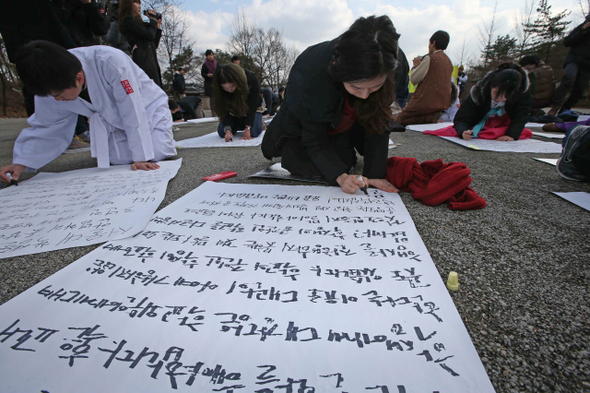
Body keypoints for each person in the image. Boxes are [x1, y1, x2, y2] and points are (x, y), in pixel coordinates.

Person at [0, 40, 177, 185]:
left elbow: (132, 108)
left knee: (156, 153)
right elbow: (47, 124)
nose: (57, 101)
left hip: (148, 109)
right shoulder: (50, 81)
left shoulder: (109, 60)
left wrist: (140, 156)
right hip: (112, 122)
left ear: (79, 78)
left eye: (59, 95)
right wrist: (21, 163)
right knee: (119, 161)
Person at [261, 15, 400, 195]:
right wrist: (339, 176)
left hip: (343, 124)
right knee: (308, 165)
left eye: (375, 86)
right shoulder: (311, 71)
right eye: (356, 87)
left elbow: (379, 121)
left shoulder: (390, 61)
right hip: (301, 125)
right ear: (338, 69)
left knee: (345, 160)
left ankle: (344, 143)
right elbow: (313, 136)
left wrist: (375, 174)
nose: (365, 95)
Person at [450, 63, 532, 141]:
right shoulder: (479, 93)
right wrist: (463, 131)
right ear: (491, 86)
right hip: (480, 123)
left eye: (505, 95)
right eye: (496, 93)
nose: (499, 98)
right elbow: (462, 117)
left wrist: (511, 134)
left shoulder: (521, 95)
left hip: (504, 125)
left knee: (523, 132)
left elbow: (521, 116)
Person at [396, 30, 453, 126]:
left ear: (433, 43)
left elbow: (414, 80)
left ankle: (427, 118)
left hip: (423, 103)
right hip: (440, 105)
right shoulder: (448, 62)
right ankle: (430, 118)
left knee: (397, 119)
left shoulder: (430, 58)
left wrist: (416, 66)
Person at [548, 15, 590, 116]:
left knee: (579, 90)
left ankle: (564, 110)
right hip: (574, 60)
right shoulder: (583, 27)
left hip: (588, 66)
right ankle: (555, 106)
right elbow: (567, 42)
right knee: (569, 77)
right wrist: (583, 30)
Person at [211, 63, 264, 142]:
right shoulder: (219, 90)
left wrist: (248, 127)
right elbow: (222, 109)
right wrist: (228, 130)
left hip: (251, 110)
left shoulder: (250, 78)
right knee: (222, 132)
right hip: (236, 113)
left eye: (232, 86)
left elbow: (253, 104)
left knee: (254, 132)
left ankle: (260, 123)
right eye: (225, 88)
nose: (229, 90)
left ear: (237, 82)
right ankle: (240, 125)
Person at [119, 0, 163, 87]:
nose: (139, 6)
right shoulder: (128, 20)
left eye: (140, 3)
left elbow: (153, 44)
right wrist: (152, 21)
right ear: (128, 5)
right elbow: (149, 35)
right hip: (142, 63)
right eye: (136, 3)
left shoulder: (140, 23)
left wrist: (157, 28)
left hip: (151, 62)